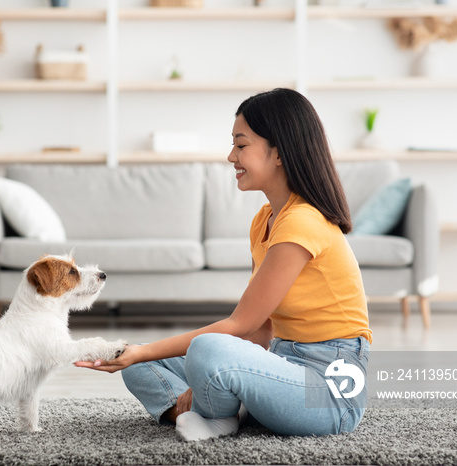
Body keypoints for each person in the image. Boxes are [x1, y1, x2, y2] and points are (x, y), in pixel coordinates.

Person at [75, 88, 372, 441]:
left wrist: (201, 364)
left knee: (205, 348)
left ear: (278, 152)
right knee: (142, 366)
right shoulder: (265, 220)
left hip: (329, 394)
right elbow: (261, 330)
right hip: (281, 365)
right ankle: (221, 409)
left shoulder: (303, 221)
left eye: (241, 144)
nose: (231, 156)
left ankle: (217, 415)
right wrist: (145, 355)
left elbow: (241, 324)